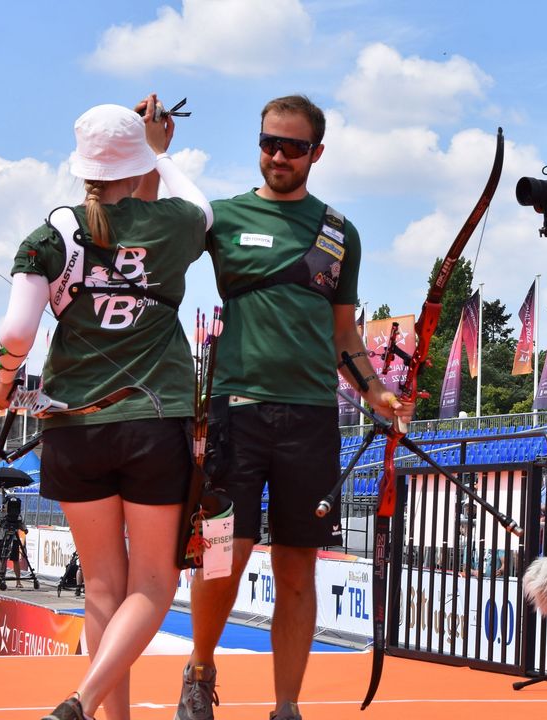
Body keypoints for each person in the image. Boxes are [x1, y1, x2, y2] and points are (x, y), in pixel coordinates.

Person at [173, 95, 407, 720]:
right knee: (221, 555)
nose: (277, 155)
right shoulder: (218, 217)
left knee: (299, 567)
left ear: (316, 154)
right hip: (234, 413)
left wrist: (376, 390)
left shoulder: (338, 233)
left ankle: (286, 706)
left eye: (293, 147)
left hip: (309, 421)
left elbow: (345, 337)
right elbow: (151, 229)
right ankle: (199, 674)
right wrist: (151, 150)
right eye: (268, 142)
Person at [0, 97, 212, 720]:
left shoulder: (52, 231)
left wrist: (5, 378)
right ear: (138, 161)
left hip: (73, 426)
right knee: (154, 584)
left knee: (104, 588)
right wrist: (161, 155)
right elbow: (205, 210)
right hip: (152, 421)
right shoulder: (170, 222)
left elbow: (15, 333)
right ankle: (81, 703)